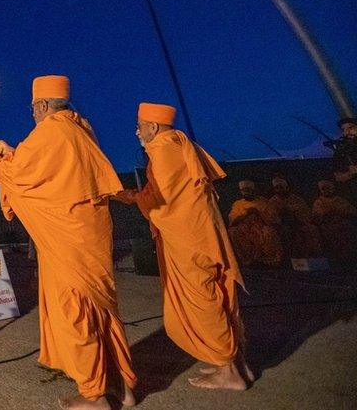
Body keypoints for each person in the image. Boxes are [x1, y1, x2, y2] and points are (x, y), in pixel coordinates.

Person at [0, 75, 135, 410]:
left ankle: (95, 395)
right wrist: (10, 152)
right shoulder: (80, 127)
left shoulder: (51, 131)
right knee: (101, 307)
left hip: (67, 238)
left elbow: (23, 174)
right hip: (90, 231)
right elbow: (48, 169)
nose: (33, 115)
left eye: (33, 109)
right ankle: (121, 384)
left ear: (41, 105)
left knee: (76, 308)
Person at [117, 102, 250, 391]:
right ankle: (235, 363)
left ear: (153, 127)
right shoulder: (179, 145)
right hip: (202, 234)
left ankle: (230, 371)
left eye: (139, 126)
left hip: (188, 239)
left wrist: (127, 196)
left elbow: (160, 202)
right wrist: (134, 195)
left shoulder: (163, 150)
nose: (136, 131)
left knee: (203, 298)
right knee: (218, 295)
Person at [228, 180, 283, 268]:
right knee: (233, 232)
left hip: (261, 226)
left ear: (253, 190)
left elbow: (273, 219)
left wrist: (257, 213)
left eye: (248, 190)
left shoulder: (263, 202)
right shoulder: (237, 204)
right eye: (244, 190)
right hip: (244, 229)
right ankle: (247, 261)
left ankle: (269, 261)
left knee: (268, 232)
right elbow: (233, 219)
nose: (246, 192)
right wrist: (246, 215)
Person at [268, 174, 321, 258]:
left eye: (281, 187)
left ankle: (312, 256)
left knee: (311, 229)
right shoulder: (272, 202)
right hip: (282, 225)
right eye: (276, 188)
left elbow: (305, 213)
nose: (279, 190)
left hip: (299, 223)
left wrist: (293, 213)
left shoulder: (296, 199)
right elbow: (271, 217)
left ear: (286, 188)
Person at [312, 179, 357, 267]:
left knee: (350, 230)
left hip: (344, 223)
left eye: (328, 188)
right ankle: (339, 260)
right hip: (327, 225)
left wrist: (341, 212)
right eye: (323, 189)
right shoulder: (318, 202)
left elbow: (352, 211)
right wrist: (328, 213)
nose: (326, 191)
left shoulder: (340, 200)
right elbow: (317, 216)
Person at [331, 117, 357, 202]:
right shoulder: (341, 151)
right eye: (343, 129)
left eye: (351, 128)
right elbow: (338, 177)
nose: (347, 132)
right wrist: (350, 173)